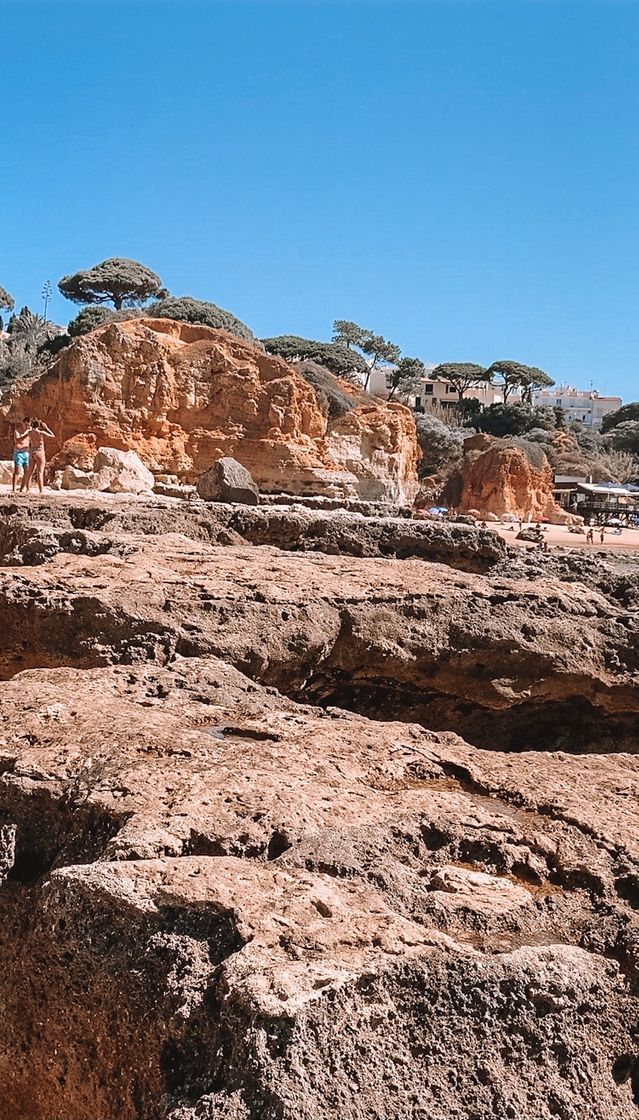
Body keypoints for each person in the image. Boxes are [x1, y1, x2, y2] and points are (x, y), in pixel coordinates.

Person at [21, 418, 55, 495]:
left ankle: (28, 489)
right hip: (39, 452)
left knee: (29, 472)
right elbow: (53, 436)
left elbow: (23, 436)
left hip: (31, 452)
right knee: (39, 472)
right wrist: (46, 428)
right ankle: (41, 491)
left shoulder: (29, 432)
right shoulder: (41, 433)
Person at [11, 417, 31, 493]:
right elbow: (17, 440)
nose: (27, 426)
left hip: (26, 453)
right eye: (26, 424)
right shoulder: (17, 431)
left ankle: (25, 488)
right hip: (18, 452)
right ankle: (14, 489)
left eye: (28, 425)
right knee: (17, 471)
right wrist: (26, 435)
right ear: (23, 423)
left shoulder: (30, 431)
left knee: (27, 472)